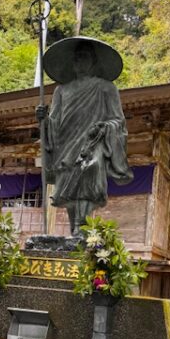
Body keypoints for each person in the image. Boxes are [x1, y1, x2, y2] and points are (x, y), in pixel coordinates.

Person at [38, 37, 133, 236]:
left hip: (93, 142)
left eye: (84, 57)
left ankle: (82, 228)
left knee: (89, 173)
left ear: (93, 61)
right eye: (77, 58)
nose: (80, 61)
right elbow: (54, 121)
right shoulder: (61, 90)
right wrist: (44, 121)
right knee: (68, 188)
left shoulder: (106, 88)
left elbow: (118, 121)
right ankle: (75, 230)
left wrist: (104, 128)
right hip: (66, 143)